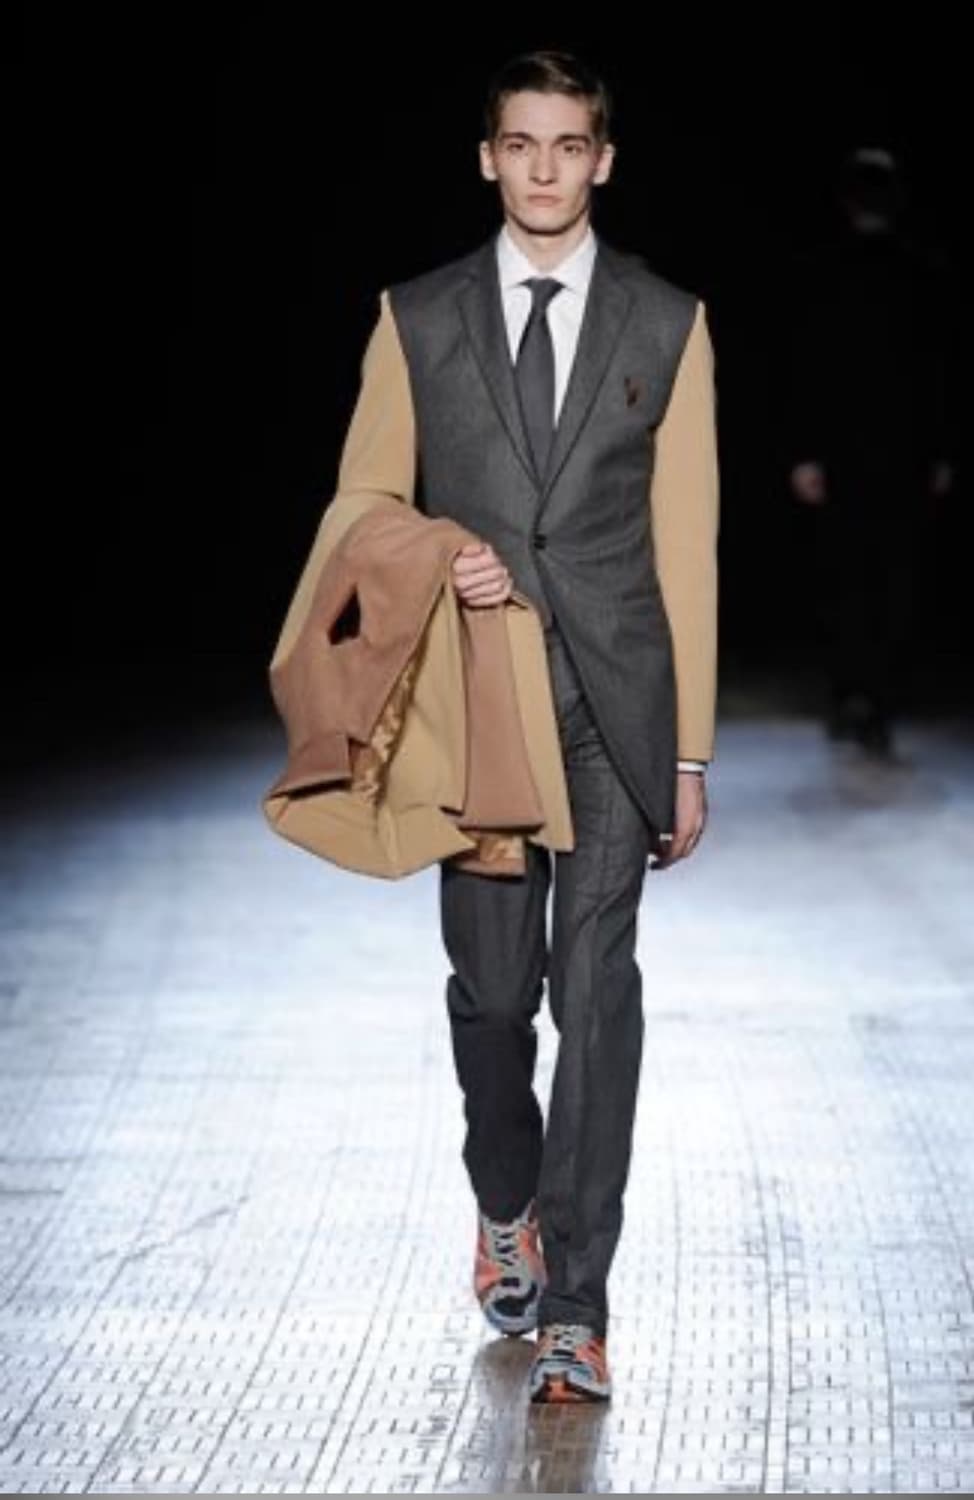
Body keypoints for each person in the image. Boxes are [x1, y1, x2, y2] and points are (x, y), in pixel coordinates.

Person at [329, 49, 719, 1403]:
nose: (543, 168)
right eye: (519, 143)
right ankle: (506, 1196)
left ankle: (575, 1309)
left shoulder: (666, 320)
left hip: (613, 707)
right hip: (479, 705)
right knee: (496, 997)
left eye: (567, 145)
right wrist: (442, 550)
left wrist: (688, 751)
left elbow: (685, 542)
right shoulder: (417, 316)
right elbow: (360, 506)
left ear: (601, 159)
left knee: (593, 996)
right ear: (486, 156)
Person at [786, 146, 954, 756]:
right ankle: (870, 699)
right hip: (896, 452)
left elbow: (806, 370)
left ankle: (856, 696)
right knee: (887, 578)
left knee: (850, 576)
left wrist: (805, 452)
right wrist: (939, 452)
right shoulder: (919, 275)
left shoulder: (831, 273)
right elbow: (939, 374)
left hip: (850, 454)